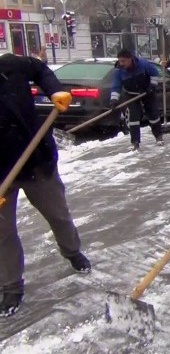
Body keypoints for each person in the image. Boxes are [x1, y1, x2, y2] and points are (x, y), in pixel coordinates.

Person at [0, 53, 91, 317]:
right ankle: (11, 286)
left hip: (35, 161)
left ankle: (72, 251)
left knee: (58, 215)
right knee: (2, 232)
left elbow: (40, 69)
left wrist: (55, 91)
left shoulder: (12, 66)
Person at [110, 48, 163, 150]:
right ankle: (135, 142)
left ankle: (158, 136)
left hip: (147, 92)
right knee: (134, 118)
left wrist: (152, 86)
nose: (121, 63)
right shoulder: (119, 71)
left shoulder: (143, 64)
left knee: (153, 114)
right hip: (131, 94)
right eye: (120, 61)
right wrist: (113, 100)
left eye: (123, 61)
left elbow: (154, 73)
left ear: (130, 59)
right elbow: (116, 87)